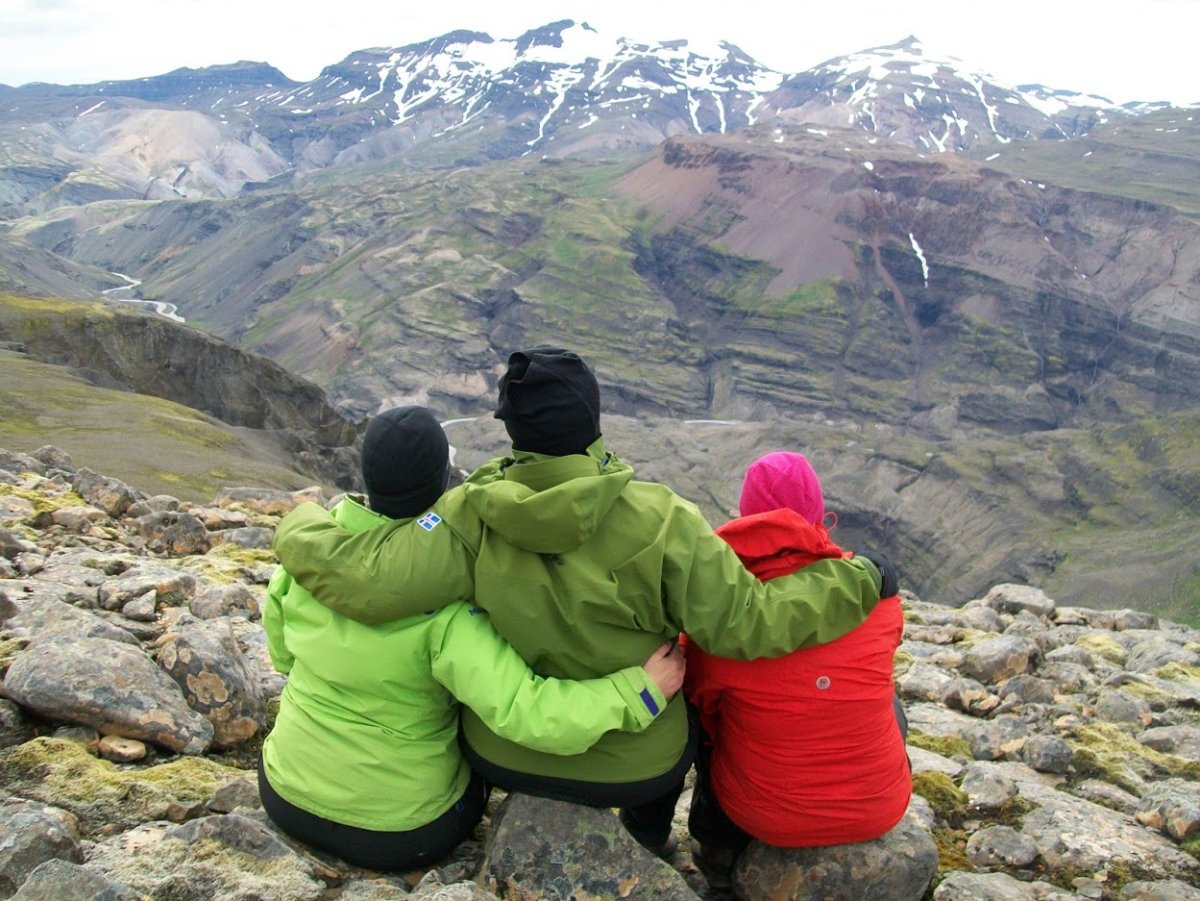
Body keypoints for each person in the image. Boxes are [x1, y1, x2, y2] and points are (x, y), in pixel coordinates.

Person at [273, 346, 895, 858]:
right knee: (694, 690)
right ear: (592, 420)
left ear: (513, 429)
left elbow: (373, 581)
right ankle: (647, 837)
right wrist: (859, 578)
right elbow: (751, 624)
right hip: (635, 766)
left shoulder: (466, 515)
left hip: (505, 755)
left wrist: (298, 526)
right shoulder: (665, 520)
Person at [260, 405, 685, 871]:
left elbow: (283, 657)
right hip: (400, 832)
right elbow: (527, 712)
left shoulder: (306, 564)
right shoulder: (449, 611)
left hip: (283, 792)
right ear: (445, 482)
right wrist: (639, 692)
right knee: (480, 745)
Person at [684, 451, 910, 889]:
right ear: (819, 515)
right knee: (886, 699)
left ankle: (718, 851)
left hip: (764, 817)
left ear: (746, 518)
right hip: (878, 809)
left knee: (706, 722)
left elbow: (699, 697)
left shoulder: (718, 619)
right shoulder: (877, 598)